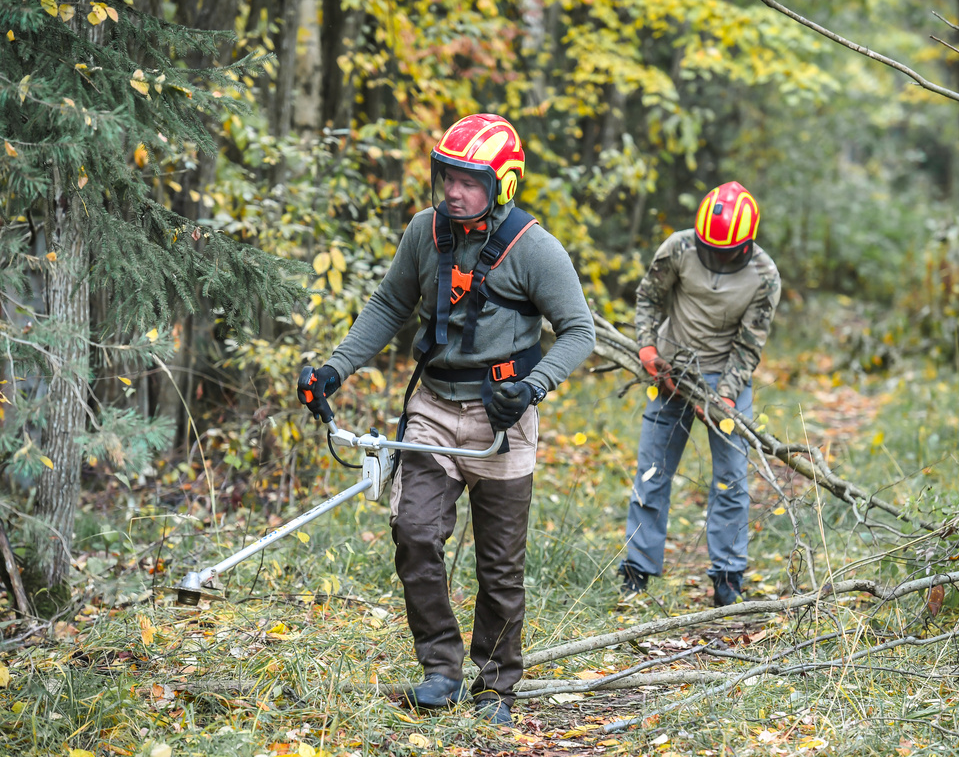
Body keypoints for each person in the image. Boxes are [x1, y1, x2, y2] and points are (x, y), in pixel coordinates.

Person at [298, 113, 595, 725]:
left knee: (500, 562)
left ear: (504, 183)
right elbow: (388, 304)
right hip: (432, 407)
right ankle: (440, 670)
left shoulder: (535, 248)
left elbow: (578, 332)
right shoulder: (423, 232)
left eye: (469, 180)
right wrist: (334, 369)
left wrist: (533, 387)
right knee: (413, 531)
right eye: (447, 176)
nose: (453, 190)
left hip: (504, 418)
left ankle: (496, 686)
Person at [617, 181, 780, 607]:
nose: (715, 257)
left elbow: (749, 346)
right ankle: (636, 569)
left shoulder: (764, 277)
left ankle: (728, 576)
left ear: (745, 244)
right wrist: (648, 348)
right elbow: (649, 299)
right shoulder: (679, 249)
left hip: (726, 379)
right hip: (670, 371)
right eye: (710, 248)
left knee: (731, 479)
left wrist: (724, 396)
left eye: (725, 252)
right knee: (652, 472)